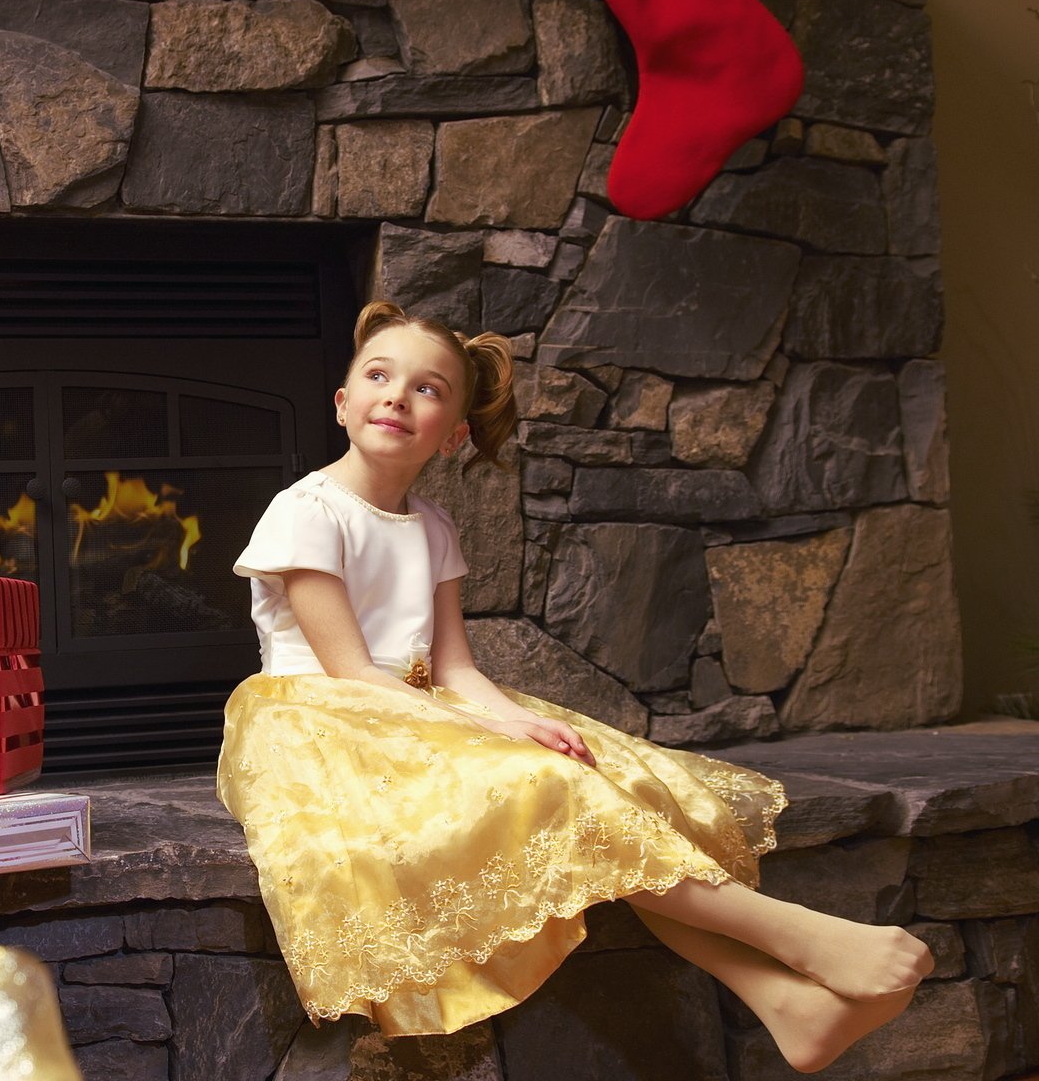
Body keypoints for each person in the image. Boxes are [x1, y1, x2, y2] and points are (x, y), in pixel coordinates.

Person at [215, 300, 932, 1073]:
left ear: (453, 431)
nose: (397, 395)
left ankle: (782, 1001)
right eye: (379, 376)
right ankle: (800, 936)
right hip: (328, 723)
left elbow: (454, 667)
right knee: (553, 797)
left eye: (428, 388)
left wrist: (511, 720)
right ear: (343, 402)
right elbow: (351, 671)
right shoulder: (307, 510)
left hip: (420, 706)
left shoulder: (431, 526)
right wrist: (488, 734)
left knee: (611, 782)